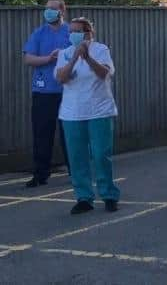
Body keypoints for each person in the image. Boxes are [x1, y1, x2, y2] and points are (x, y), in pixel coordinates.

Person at [55, 17, 120, 215]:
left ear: (89, 34)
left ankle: (108, 194)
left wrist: (88, 58)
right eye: (71, 32)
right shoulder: (65, 53)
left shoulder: (101, 50)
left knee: (101, 154)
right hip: (72, 113)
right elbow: (61, 78)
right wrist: (75, 57)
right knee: (77, 157)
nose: (74, 35)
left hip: (99, 111)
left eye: (79, 32)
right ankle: (83, 197)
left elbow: (104, 73)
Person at [23, 0, 70, 188]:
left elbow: (82, 54)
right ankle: (41, 173)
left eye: (52, 9)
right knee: (42, 133)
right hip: (43, 91)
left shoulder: (71, 32)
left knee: (70, 134)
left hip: (68, 91)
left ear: (62, 11)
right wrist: (48, 58)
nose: (48, 12)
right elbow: (28, 58)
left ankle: (76, 172)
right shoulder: (39, 33)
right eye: (46, 9)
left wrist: (65, 56)